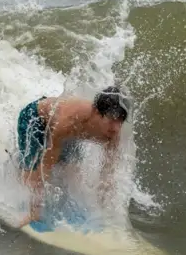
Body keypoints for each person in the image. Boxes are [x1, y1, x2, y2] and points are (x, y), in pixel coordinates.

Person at [15, 86, 132, 227]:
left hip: (65, 131)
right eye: (111, 120)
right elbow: (45, 165)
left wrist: (106, 214)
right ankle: (27, 202)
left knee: (72, 171)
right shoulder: (70, 121)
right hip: (35, 118)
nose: (116, 128)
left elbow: (107, 176)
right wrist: (35, 212)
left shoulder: (112, 135)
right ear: (96, 112)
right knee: (34, 170)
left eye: (120, 121)